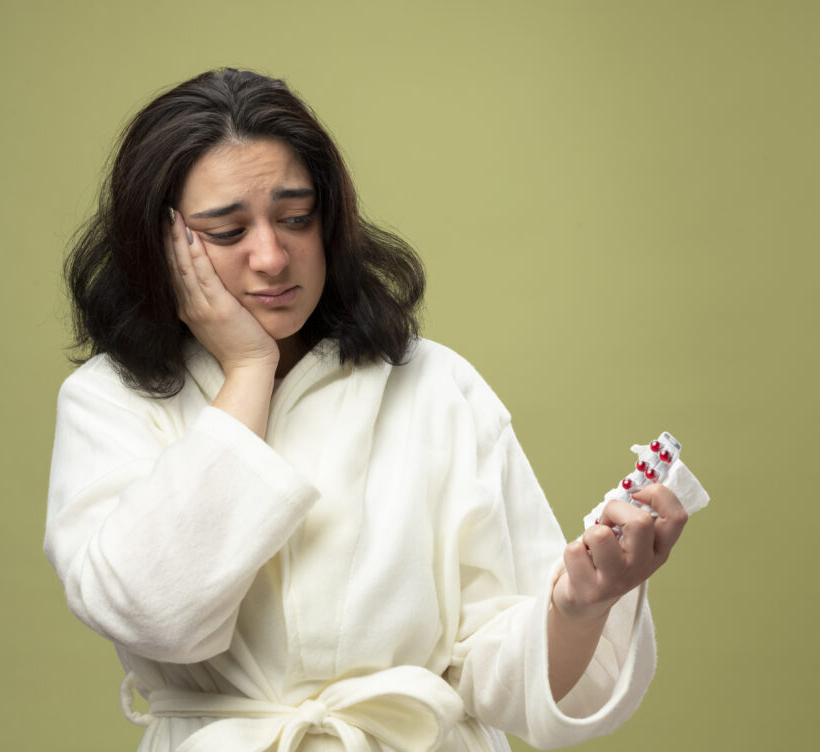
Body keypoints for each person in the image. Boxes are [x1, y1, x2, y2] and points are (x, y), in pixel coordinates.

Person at [44, 68, 701, 752]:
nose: (272, 255)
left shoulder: (435, 384)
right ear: (162, 243)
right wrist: (248, 370)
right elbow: (156, 615)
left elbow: (499, 678)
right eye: (227, 230)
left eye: (296, 218)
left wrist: (579, 604)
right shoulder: (108, 400)